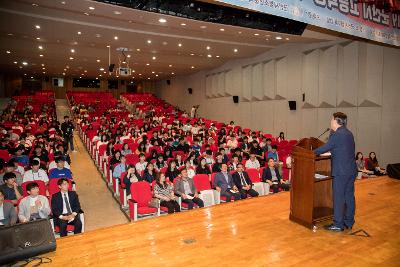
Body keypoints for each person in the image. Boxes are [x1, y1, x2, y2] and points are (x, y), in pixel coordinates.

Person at [314, 112, 357, 232]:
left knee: (338, 197)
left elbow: (324, 147)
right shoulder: (349, 133)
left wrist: (311, 152)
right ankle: (349, 222)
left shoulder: (337, 135)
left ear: (336, 121)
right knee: (349, 196)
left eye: (331, 120)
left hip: (341, 172)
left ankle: (338, 224)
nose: (330, 122)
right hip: (351, 170)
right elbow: (342, 150)